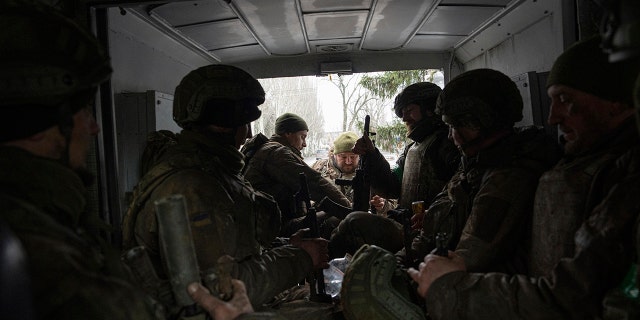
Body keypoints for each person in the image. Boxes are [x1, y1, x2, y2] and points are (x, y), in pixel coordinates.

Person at [407, 35, 640, 319]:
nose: (552, 117)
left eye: (565, 100)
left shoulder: (522, 172)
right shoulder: (578, 164)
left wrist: (451, 287)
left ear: (617, 102)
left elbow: (575, 298)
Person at [340, 68, 562, 320]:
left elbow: (473, 252)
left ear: (480, 121)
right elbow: (435, 211)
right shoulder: (471, 163)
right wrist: (402, 262)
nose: (450, 134)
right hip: (440, 260)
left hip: (475, 284)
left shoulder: (510, 174)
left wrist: (419, 281)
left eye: (456, 125)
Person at [121, 65, 330, 311]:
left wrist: (289, 247)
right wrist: (301, 257)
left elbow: (239, 248)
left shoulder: (214, 172)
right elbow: (225, 290)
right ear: (227, 125)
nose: (248, 133)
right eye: (245, 122)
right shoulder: (192, 186)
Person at [0, 1, 155, 319]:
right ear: (36, 128)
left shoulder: (49, 215)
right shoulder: (43, 254)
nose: (95, 128)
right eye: (84, 112)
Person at [327, 82, 460, 259]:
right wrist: (372, 155)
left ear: (429, 109)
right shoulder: (412, 148)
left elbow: (457, 199)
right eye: (402, 112)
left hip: (426, 233)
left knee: (353, 222)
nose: (404, 118)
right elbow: (392, 187)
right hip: (405, 225)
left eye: (410, 109)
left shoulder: (447, 145)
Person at [243, 113, 351, 238]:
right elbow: (314, 183)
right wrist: (349, 208)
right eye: (302, 137)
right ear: (288, 133)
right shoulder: (277, 153)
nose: (304, 144)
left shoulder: (269, 150)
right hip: (274, 229)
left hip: (270, 224)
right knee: (340, 221)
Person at [311, 132, 397, 215]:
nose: (348, 161)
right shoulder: (319, 168)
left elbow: (394, 203)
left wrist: (383, 205)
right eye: (343, 157)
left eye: (353, 157)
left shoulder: (372, 171)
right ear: (334, 155)